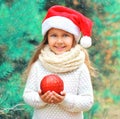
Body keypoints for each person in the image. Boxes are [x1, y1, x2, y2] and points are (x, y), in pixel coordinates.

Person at [23, 5, 96, 119]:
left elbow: (87, 101)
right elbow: (27, 95)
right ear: (47, 38)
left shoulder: (79, 67)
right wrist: (41, 99)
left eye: (65, 35)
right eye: (54, 35)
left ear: (74, 38)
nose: (59, 41)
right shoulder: (39, 65)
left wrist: (65, 100)